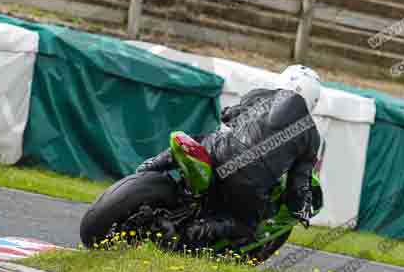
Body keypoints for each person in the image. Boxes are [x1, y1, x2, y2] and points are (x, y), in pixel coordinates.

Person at [136, 65, 322, 246]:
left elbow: (227, 115)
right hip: (247, 182)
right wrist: (299, 208)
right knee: (246, 226)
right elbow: (298, 183)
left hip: (217, 151)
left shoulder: (259, 94)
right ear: (313, 99)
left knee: (196, 141)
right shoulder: (312, 135)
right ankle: (185, 235)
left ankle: (151, 165)